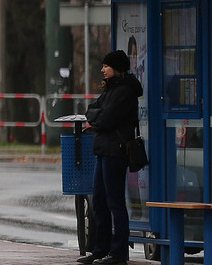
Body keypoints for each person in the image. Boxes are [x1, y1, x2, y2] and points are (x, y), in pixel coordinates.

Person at [79, 49, 143, 265]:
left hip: (116, 151)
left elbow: (105, 119)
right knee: (99, 201)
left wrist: (97, 118)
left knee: (114, 202)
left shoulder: (124, 91)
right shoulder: (111, 89)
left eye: (106, 66)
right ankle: (100, 249)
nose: (102, 69)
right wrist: (97, 117)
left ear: (116, 68)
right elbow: (91, 110)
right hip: (103, 149)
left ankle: (118, 253)